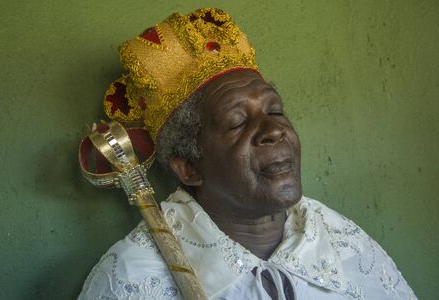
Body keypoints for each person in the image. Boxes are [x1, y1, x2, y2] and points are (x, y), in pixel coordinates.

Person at [78, 8, 417, 300]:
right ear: (189, 167)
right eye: (237, 121)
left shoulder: (347, 247)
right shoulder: (134, 276)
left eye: (276, 111)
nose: (274, 130)